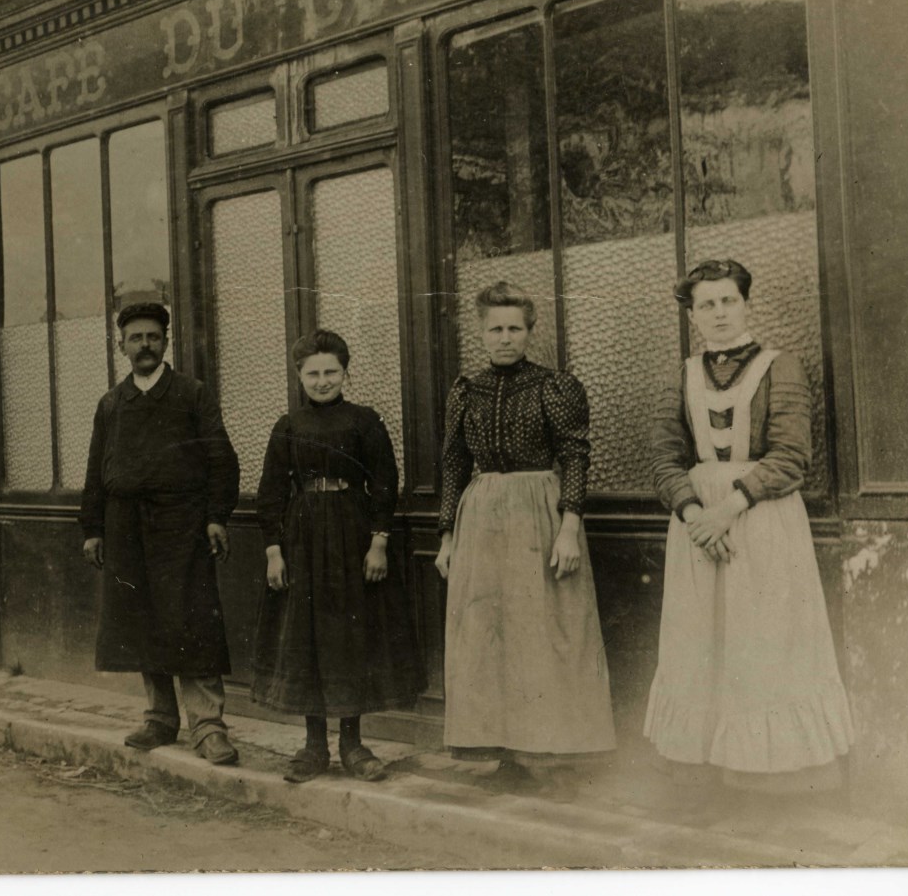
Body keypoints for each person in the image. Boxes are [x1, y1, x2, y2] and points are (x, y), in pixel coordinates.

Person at [644, 259, 855, 792]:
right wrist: (695, 514)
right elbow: (664, 457)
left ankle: (770, 778)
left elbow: (791, 456)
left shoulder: (781, 367)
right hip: (697, 532)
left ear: (746, 304)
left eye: (728, 301)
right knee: (702, 642)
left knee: (765, 641)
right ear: (692, 315)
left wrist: (727, 508)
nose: (718, 313)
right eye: (706, 304)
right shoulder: (683, 374)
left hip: (761, 523)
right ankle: (706, 769)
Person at [436, 282, 615, 800]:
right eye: (496, 328)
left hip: (540, 512)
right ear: (481, 332)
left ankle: (551, 756)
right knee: (490, 635)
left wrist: (569, 527)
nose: (506, 337)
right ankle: (506, 752)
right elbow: (452, 463)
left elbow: (575, 456)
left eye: (516, 328)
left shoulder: (555, 387)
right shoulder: (465, 390)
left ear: (530, 331)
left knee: (546, 632)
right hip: (481, 517)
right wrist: (446, 535)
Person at [253, 330, 426, 783]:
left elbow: (385, 482)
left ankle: (352, 744)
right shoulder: (287, 426)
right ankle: (314, 748)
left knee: (352, 638)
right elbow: (270, 493)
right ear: (299, 376)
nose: (323, 380)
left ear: (345, 373)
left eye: (331, 371)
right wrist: (274, 552)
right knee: (308, 638)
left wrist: (379, 541)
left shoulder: (364, 421)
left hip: (353, 536)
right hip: (303, 541)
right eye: (313, 373)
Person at [80, 302, 242, 766]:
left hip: (183, 525)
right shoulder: (111, 404)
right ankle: (159, 718)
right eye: (136, 338)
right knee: (141, 621)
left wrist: (216, 516)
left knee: (193, 622)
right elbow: (95, 471)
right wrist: (92, 528)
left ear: (166, 342)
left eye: (153, 336)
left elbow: (221, 460)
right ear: (121, 347)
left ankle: (208, 726)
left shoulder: (192, 394)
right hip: (125, 526)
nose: (145, 345)